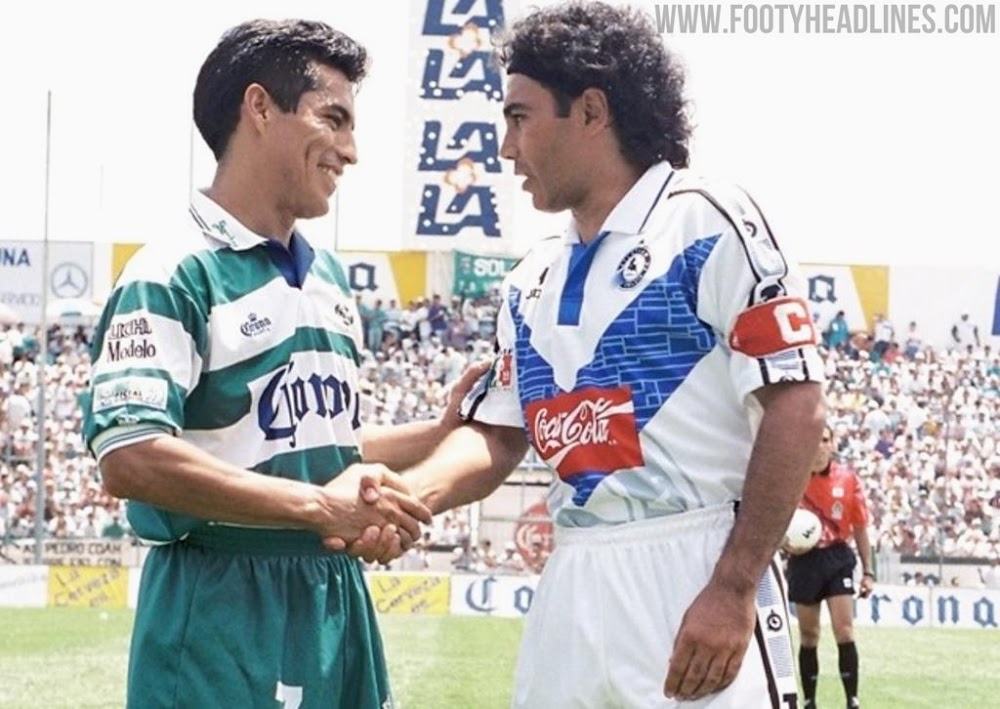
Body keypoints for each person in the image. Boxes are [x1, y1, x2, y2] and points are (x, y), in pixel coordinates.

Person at [349, 3, 826, 706]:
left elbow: (797, 403)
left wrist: (733, 585)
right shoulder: (529, 278)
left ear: (592, 111)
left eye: (520, 118)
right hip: (571, 580)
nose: (505, 148)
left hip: (696, 568)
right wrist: (408, 499)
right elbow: (498, 434)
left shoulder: (705, 221)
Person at [81, 19, 481, 709]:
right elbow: (131, 456)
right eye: (334, 119)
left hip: (332, 595)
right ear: (261, 108)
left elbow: (308, 447)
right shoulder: (172, 271)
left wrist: (435, 433)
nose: (351, 151)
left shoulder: (329, 277)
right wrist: (319, 508)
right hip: (219, 604)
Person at [785, 426, 874, 709]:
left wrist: (868, 572)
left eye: (825, 440)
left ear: (833, 444)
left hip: (837, 558)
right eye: (815, 439)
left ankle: (852, 700)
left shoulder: (847, 479)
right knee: (809, 634)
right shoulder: (791, 477)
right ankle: (809, 701)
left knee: (844, 630)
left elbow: (860, 527)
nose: (820, 446)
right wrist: (785, 544)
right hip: (804, 560)